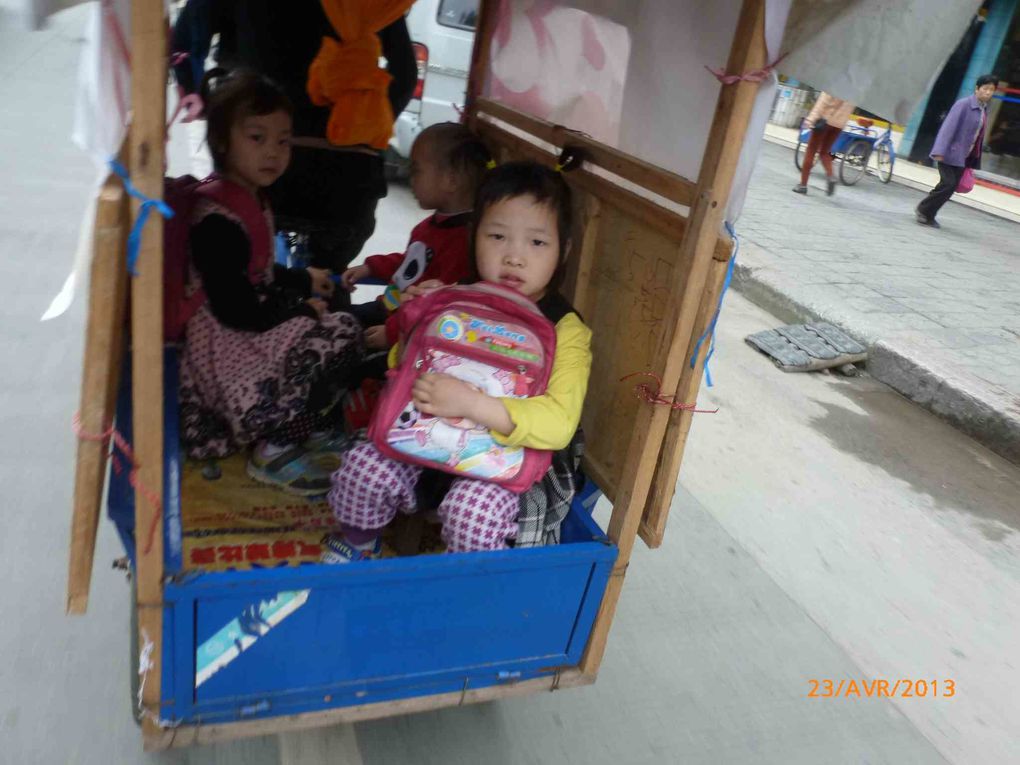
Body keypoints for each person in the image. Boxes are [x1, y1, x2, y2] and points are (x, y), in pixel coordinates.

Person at [326, 161, 593, 559]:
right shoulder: (455, 297)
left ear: (563, 250)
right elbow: (400, 364)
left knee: (474, 514)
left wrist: (474, 405)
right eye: (498, 236)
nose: (514, 257)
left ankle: (464, 580)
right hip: (426, 442)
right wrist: (416, 319)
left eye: (537, 243)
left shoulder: (565, 330)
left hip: (503, 463)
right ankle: (357, 542)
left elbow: (557, 426)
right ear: (474, 238)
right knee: (363, 466)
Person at [177, 69, 362, 495]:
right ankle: (274, 449)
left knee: (334, 315)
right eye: (257, 138)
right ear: (222, 141)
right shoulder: (216, 219)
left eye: (282, 140)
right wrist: (299, 308)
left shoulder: (246, 198)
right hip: (226, 354)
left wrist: (303, 280)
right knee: (341, 336)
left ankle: (304, 426)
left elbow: (255, 269)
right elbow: (237, 307)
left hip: (242, 329)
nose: (273, 153)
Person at [172, 0, 417, 274]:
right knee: (330, 281)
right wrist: (364, 125)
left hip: (254, 162)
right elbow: (405, 74)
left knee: (242, 274)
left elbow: (185, 45)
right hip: (348, 180)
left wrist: (202, 99)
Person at [340, 122, 492, 351]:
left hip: (406, 332)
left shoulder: (462, 242)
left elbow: (439, 304)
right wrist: (370, 267)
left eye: (416, 169)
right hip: (387, 308)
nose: (410, 176)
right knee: (332, 321)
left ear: (451, 180)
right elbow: (411, 264)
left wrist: (392, 334)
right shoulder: (428, 226)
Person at [916, 74, 998, 228]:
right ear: (977, 88)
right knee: (948, 184)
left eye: (991, 90)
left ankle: (928, 214)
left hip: (964, 157)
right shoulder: (964, 105)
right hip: (949, 153)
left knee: (950, 187)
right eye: (985, 88)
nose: (988, 92)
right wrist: (939, 150)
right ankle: (923, 210)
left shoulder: (983, 110)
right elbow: (948, 128)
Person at [793, 92, 855, 196]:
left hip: (823, 121)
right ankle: (831, 176)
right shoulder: (855, 91)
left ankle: (802, 185)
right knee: (825, 152)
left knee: (811, 150)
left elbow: (822, 103)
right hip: (838, 125)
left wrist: (809, 120)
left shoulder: (833, 85)